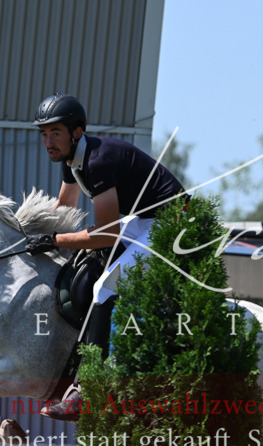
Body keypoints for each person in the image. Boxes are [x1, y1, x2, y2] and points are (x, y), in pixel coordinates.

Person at [26, 93, 186, 420]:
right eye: (44, 134)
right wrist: (28, 235)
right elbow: (65, 208)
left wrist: (55, 239)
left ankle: (88, 388)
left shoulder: (98, 162)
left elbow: (107, 233)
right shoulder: (73, 161)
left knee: (104, 288)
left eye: (55, 133)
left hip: (173, 223)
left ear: (77, 132)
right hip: (144, 219)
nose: (48, 142)